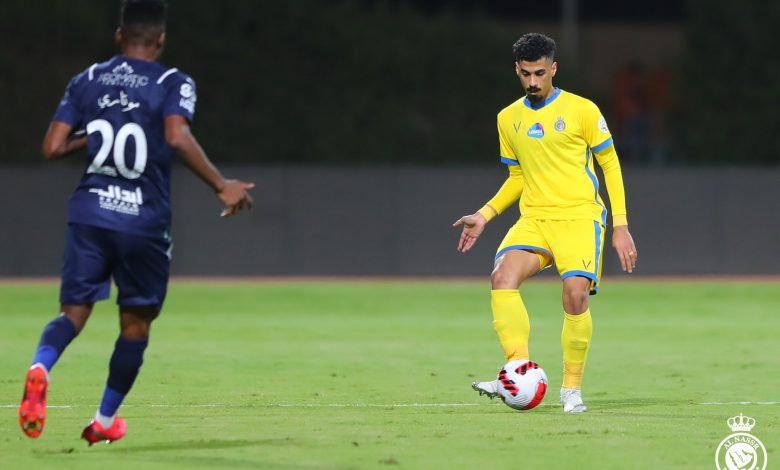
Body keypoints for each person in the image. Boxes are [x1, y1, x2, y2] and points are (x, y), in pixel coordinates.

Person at [18, 0, 254, 444]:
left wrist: (95, 130)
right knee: (135, 324)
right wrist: (221, 185)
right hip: (142, 220)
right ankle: (104, 421)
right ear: (160, 39)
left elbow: (52, 147)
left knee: (72, 313)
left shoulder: (87, 78)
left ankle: (40, 367)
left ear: (118, 36)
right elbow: (176, 135)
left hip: (90, 213)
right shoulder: (172, 82)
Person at [453, 33, 637, 413]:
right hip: (535, 218)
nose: (533, 81)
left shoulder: (582, 110)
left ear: (553, 68)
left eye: (540, 73)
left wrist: (620, 225)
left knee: (575, 295)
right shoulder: (508, 119)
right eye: (526, 74)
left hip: (580, 217)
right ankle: (517, 370)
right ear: (516, 70)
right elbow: (517, 177)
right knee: (502, 277)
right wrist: (485, 214)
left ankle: (571, 390)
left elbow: (610, 164)